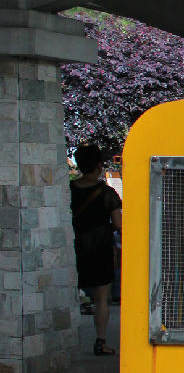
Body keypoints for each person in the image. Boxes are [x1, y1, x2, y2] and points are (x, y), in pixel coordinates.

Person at [71, 143, 122, 356]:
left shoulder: (69, 189)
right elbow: (118, 224)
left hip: (74, 246)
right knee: (102, 297)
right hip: (100, 248)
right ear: (99, 166)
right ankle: (100, 341)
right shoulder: (107, 193)